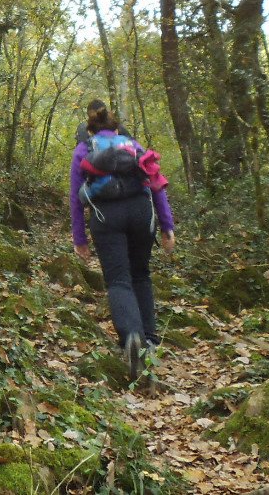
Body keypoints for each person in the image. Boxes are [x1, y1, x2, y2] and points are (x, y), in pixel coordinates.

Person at [69, 99, 175, 382]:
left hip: (106, 217)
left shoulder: (84, 149)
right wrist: (167, 226)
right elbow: (156, 184)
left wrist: (80, 238)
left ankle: (132, 338)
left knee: (118, 279)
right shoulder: (133, 145)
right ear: (115, 125)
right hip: (141, 213)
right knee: (141, 274)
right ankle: (150, 341)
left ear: (90, 127)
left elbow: (75, 198)